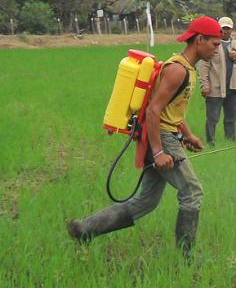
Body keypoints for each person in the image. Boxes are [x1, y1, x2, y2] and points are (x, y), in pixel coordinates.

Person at [67, 16, 223, 256]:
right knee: (192, 192)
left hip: (166, 135)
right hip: (161, 138)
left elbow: (173, 110)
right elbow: (153, 110)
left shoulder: (187, 69)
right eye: (214, 44)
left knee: (146, 202)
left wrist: (189, 135)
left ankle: (85, 228)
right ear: (199, 39)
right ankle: (187, 255)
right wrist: (159, 151)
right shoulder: (177, 70)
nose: (217, 49)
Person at [198, 17, 236, 146]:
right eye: (223, 28)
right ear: (218, 28)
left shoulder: (235, 44)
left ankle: (230, 142)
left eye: (228, 28)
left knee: (231, 119)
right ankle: (211, 143)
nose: (225, 31)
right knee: (212, 118)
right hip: (215, 88)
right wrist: (204, 85)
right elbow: (203, 66)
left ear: (232, 29)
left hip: (233, 88)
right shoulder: (212, 43)